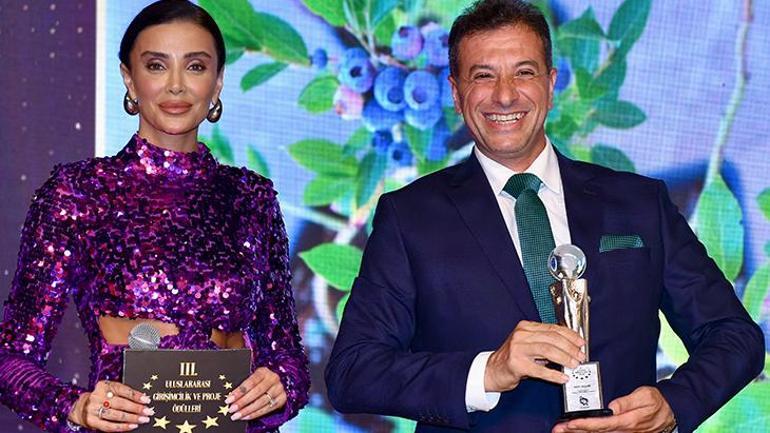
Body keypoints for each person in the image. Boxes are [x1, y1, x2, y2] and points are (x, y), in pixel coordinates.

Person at [325, 1, 764, 432]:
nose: (505, 95)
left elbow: (734, 335)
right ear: (456, 94)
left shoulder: (639, 202)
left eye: (524, 72)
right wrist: (487, 371)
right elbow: (352, 372)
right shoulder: (410, 217)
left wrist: (673, 404)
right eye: (483, 76)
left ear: (551, 85)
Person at [0, 1, 309, 432]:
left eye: (195, 66)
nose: (176, 86)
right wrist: (75, 406)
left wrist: (282, 385)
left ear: (218, 81)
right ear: (130, 78)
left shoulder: (251, 197)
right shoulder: (77, 192)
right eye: (157, 66)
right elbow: (11, 357)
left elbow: (288, 355)